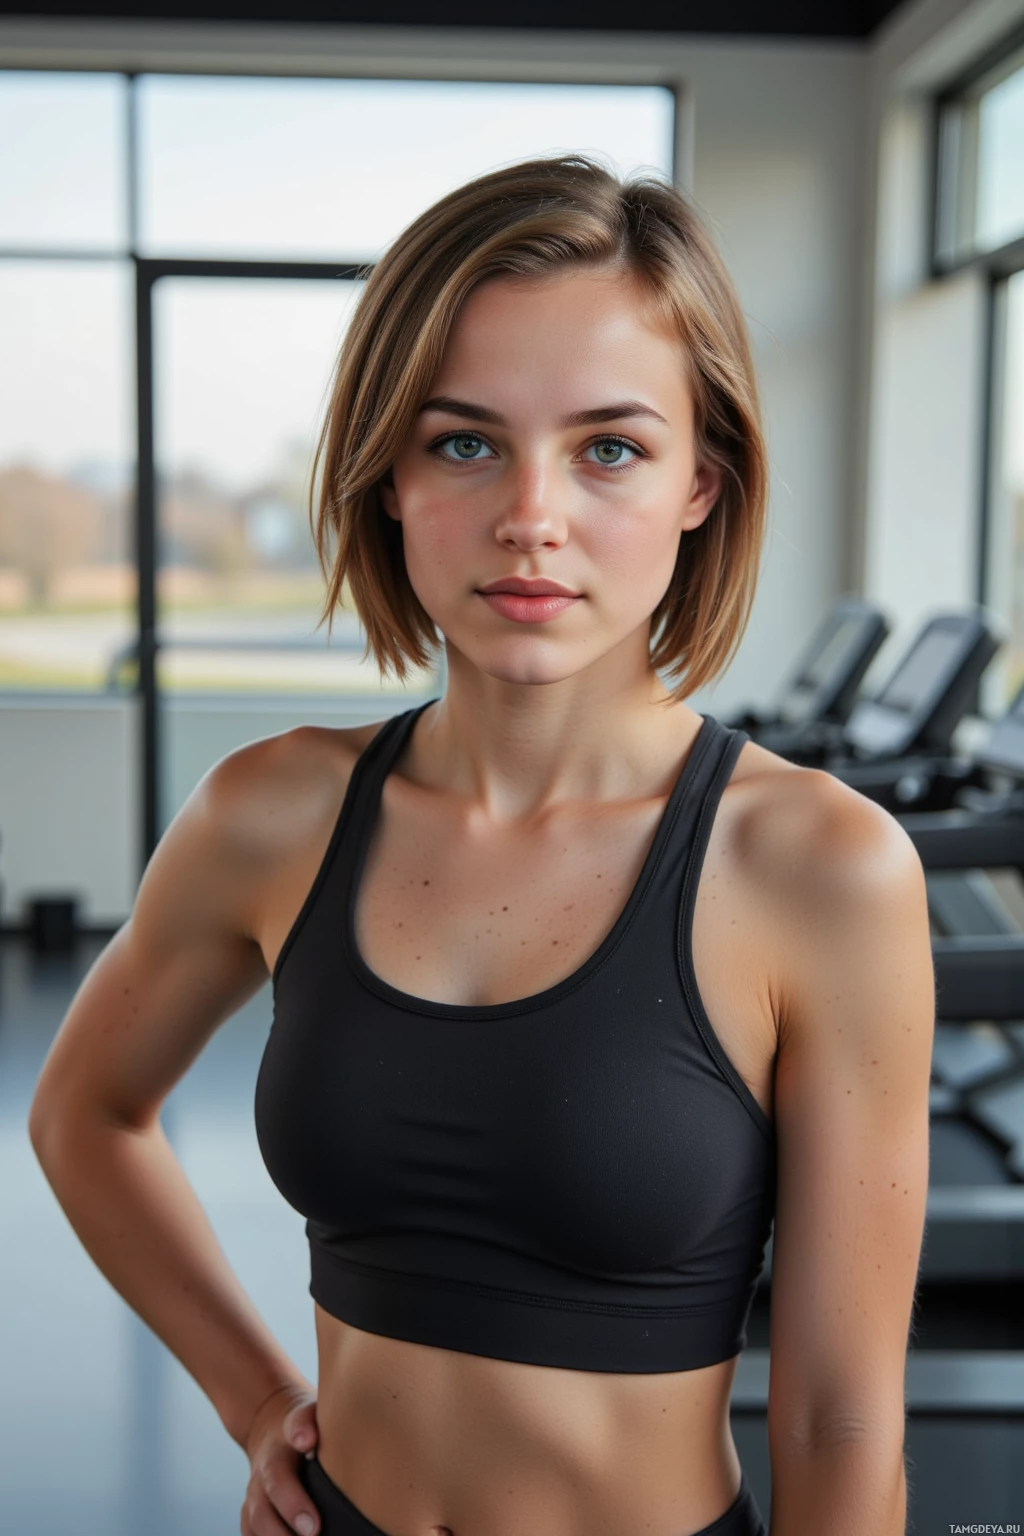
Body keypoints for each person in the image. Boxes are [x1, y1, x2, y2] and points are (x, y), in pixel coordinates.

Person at [29, 155, 935, 1536]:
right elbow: (83, 1116)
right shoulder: (268, 813)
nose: (531, 517)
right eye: (464, 442)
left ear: (703, 483)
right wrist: (256, 1400)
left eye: (609, 448)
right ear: (388, 474)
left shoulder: (820, 869)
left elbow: (841, 1421)